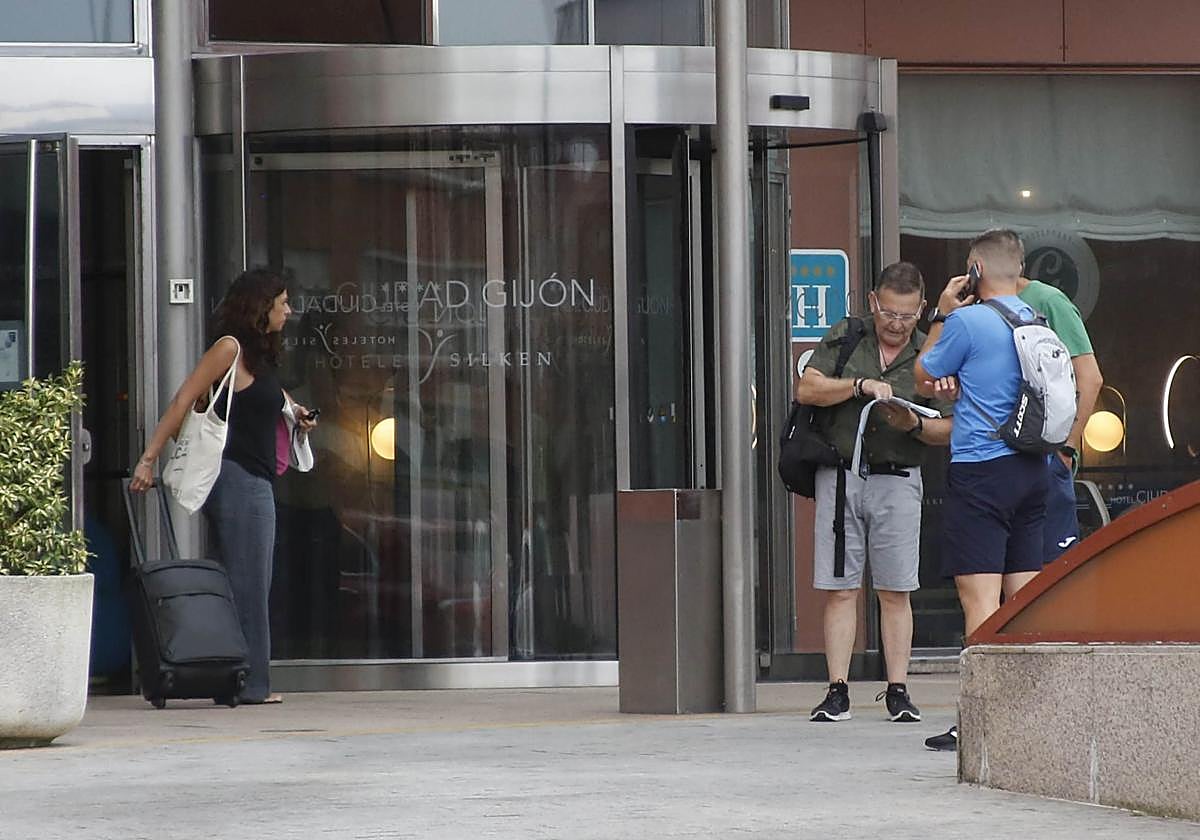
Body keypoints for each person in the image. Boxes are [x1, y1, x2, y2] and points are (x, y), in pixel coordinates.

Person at [131, 268, 317, 705]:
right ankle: (253, 684)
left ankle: (225, 677)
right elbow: (182, 399)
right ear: (260, 307)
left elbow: (276, 400)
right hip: (237, 480)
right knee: (251, 583)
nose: (288, 310)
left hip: (251, 480)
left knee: (234, 582)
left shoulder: (259, 358)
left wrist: (299, 414)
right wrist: (147, 459)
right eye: (282, 303)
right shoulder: (228, 349)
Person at [796, 261, 953, 724]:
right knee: (840, 589)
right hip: (842, 473)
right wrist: (859, 387)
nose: (895, 324)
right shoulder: (848, 336)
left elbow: (950, 426)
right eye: (888, 312)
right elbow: (808, 389)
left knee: (896, 588)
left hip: (899, 477)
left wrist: (915, 424)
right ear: (872, 302)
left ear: (921, 310)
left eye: (906, 316)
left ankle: (898, 688)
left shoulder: (930, 354)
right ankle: (837, 689)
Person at [913, 229, 1048, 751]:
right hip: (1031, 471)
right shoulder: (1034, 321)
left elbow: (924, 375)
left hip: (981, 470)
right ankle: (1031, 718)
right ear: (1018, 269)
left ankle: (981, 720)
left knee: (980, 601)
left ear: (974, 270)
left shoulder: (967, 321)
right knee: (1026, 597)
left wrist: (943, 313)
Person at [1016, 271, 1104, 561]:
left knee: (1052, 572)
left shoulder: (1049, 300)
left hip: (1047, 454)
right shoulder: (977, 306)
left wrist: (1067, 448)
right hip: (1002, 458)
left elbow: (1089, 378)